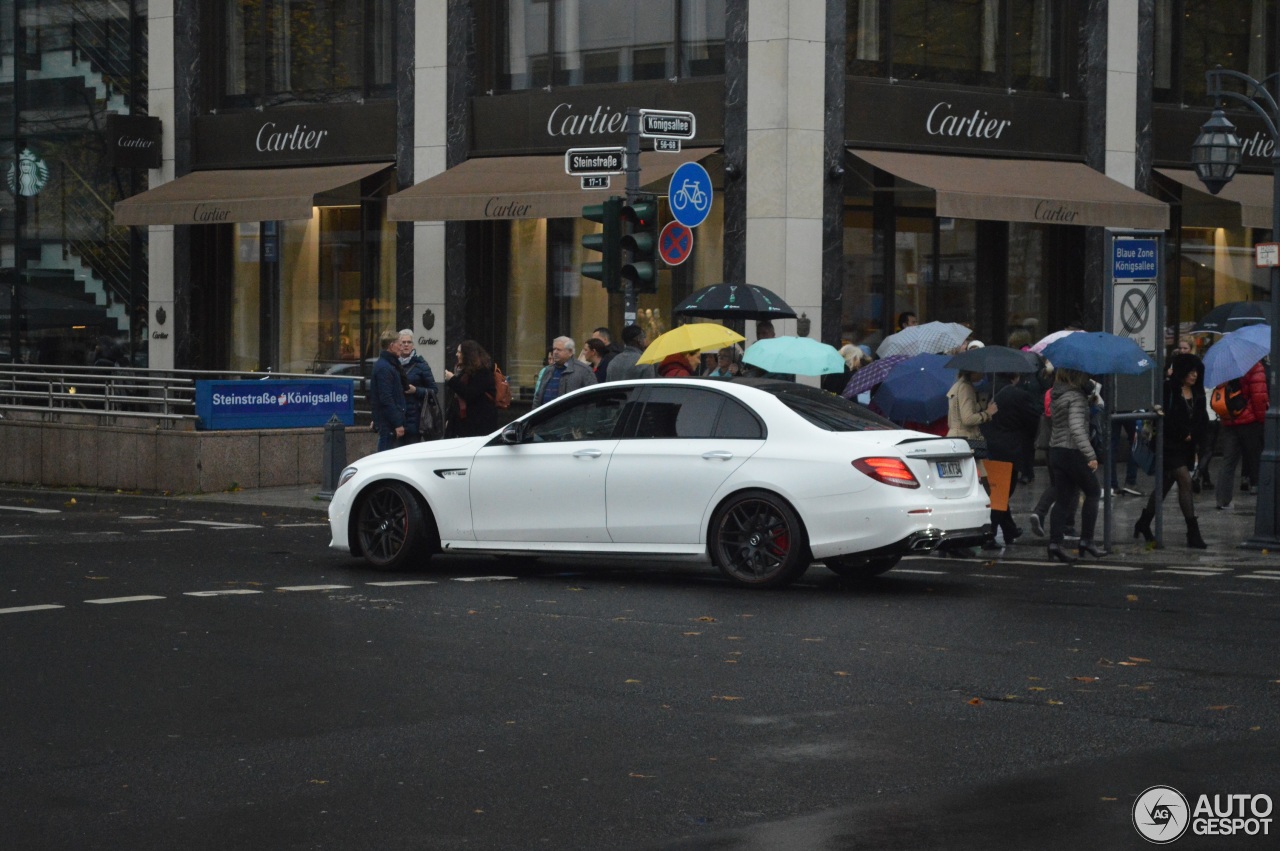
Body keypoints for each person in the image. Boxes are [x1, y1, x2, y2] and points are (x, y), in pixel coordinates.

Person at [1134, 354, 1208, 549]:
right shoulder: (1169, 388)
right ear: (1182, 371)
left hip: (1187, 447)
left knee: (1164, 486)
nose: (1194, 375)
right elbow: (1163, 416)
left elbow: (1202, 419)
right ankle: (1193, 532)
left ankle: (1143, 522)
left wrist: (1194, 435)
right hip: (1168, 445)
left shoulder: (1198, 392)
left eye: (1197, 371)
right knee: (1185, 480)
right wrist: (1182, 432)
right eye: (1191, 371)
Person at [1046, 368, 1104, 562]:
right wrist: (1090, 455)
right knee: (1094, 492)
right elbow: (1077, 428)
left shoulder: (1058, 393)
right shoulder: (1076, 397)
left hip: (1056, 450)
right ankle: (1087, 540)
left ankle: (1054, 543)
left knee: (1063, 498)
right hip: (1073, 451)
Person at [982, 372, 1041, 546]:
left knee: (999, 492)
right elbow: (1032, 420)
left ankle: (1009, 530)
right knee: (1003, 493)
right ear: (1015, 377)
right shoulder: (1019, 395)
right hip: (1009, 449)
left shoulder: (993, 392)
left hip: (992, 446)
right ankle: (989, 535)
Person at [1215, 357, 1268, 510]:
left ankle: (1223, 500)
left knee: (1228, 461)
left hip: (1230, 419)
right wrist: (1261, 420)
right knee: (1256, 459)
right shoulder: (1255, 366)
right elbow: (1259, 396)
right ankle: (1263, 498)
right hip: (1250, 420)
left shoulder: (1226, 365)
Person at [946, 369, 997, 484]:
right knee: (981, 484)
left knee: (965, 482)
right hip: (966, 441)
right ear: (972, 372)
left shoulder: (958, 385)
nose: (983, 374)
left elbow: (954, 418)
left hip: (956, 440)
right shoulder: (965, 388)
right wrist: (988, 413)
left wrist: (980, 406)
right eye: (980, 371)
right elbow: (967, 419)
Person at [444, 340, 497, 437]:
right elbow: (455, 400)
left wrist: (452, 379)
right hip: (461, 426)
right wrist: (449, 420)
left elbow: (469, 394)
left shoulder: (483, 373)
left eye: (459, 352)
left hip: (478, 428)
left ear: (467, 354)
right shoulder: (463, 372)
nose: (456, 354)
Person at [370, 329, 411, 452]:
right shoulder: (385, 368)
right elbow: (386, 398)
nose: (402, 347)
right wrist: (398, 423)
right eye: (399, 344)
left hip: (388, 422)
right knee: (385, 456)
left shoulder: (390, 365)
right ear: (391, 346)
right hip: (389, 425)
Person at [396, 329, 437, 443]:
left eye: (408, 342)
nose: (406, 345)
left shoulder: (421, 365)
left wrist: (416, 390)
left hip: (415, 419)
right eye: (403, 342)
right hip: (397, 418)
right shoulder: (393, 364)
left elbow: (434, 390)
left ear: (413, 345)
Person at [533, 336, 596, 407]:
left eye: (559, 350)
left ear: (570, 352)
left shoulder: (584, 371)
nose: (555, 352)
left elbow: (592, 400)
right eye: (554, 349)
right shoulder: (548, 370)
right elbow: (538, 397)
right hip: (546, 416)